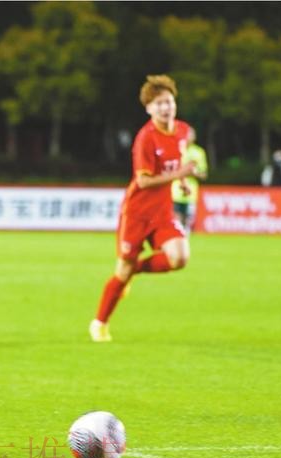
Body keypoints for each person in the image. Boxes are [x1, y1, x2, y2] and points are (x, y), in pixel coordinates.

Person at [90, 75, 197, 342]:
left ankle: (135, 270)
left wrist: (182, 182)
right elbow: (143, 181)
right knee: (121, 272)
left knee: (180, 257)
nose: (165, 107)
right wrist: (180, 175)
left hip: (162, 212)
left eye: (169, 101)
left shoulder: (182, 131)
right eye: (159, 103)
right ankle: (99, 323)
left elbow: (175, 161)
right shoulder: (146, 138)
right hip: (137, 213)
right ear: (148, 108)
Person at [171, 126, 208, 234]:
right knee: (175, 220)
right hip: (175, 191)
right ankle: (177, 237)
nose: (188, 137)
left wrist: (193, 172)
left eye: (190, 134)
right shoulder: (175, 149)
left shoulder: (199, 152)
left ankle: (184, 238)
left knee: (187, 221)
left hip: (191, 192)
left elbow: (204, 174)